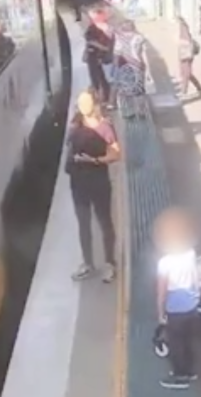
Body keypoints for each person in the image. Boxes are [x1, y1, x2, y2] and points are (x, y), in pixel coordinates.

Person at [67, 91, 121, 282]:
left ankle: (109, 263)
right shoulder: (76, 125)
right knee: (84, 224)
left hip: (97, 180)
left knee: (104, 221)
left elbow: (115, 154)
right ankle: (89, 263)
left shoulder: (104, 127)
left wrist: (95, 160)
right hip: (79, 181)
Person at [153, 207, 201, 390]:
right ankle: (190, 371)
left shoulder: (165, 263)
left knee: (176, 342)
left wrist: (160, 312)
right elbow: (196, 278)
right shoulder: (190, 253)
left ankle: (181, 375)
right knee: (188, 340)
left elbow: (162, 291)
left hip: (175, 308)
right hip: (191, 305)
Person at [85, 15, 115, 105]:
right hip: (95, 58)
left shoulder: (108, 30)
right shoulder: (92, 29)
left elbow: (90, 41)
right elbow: (90, 41)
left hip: (103, 58)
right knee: (98, 79)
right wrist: (104, 48)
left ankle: (105, 99)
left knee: (103, 80)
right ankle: (102, 99)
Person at [176, 16, 201, 97]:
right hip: (184, 53)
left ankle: (184, 91)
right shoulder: (183, 27)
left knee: (186, 74)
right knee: (187, 74)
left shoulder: (183, 28)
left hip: (186, 53)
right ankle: (199, 89)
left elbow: (187, 41)